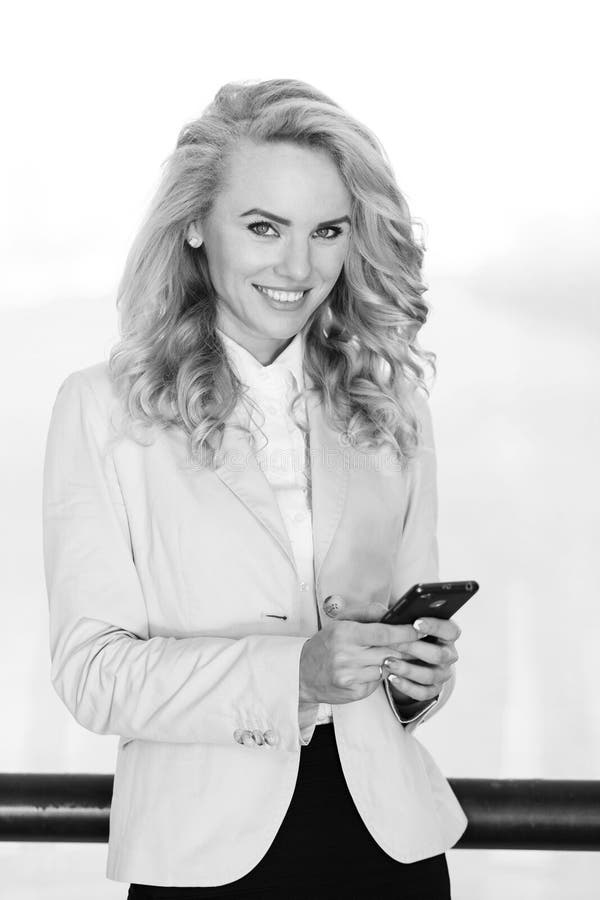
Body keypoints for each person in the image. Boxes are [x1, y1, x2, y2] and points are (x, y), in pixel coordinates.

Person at [42, 78, 467, 898]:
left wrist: (418, 677)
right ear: (197, 226)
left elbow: (405, 642)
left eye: (328, 231)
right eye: (264, 227)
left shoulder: (391, 404)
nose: (298, 266)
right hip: (205, 860)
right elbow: (92, 674)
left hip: (392, 851)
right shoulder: (101, 409)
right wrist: (293, 675)